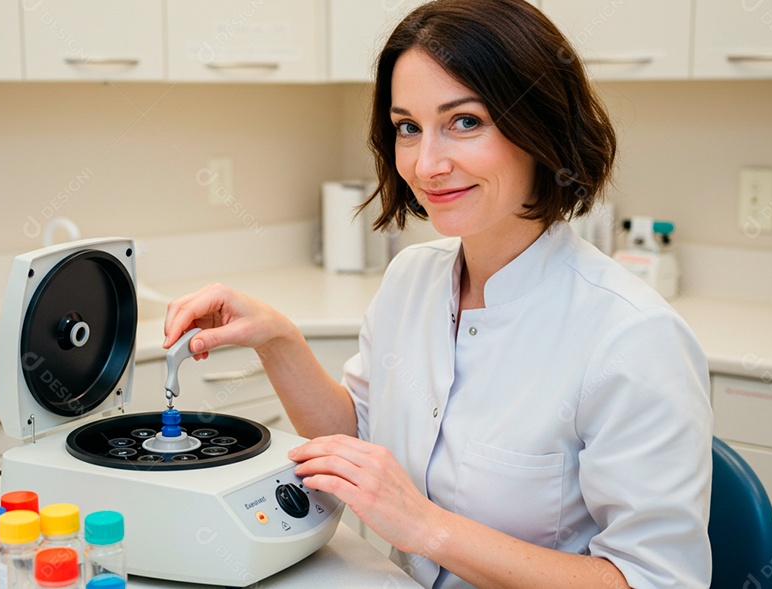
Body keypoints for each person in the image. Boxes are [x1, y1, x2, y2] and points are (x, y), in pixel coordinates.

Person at [163, 1, 713, 587]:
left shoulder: (632, 336)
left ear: (541, 127)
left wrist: (426, 527)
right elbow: (358, 444)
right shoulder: (412, 279)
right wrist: (277, 339)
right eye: (408, 128)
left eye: (466, 121)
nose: (427, 164)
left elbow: (657, 580)